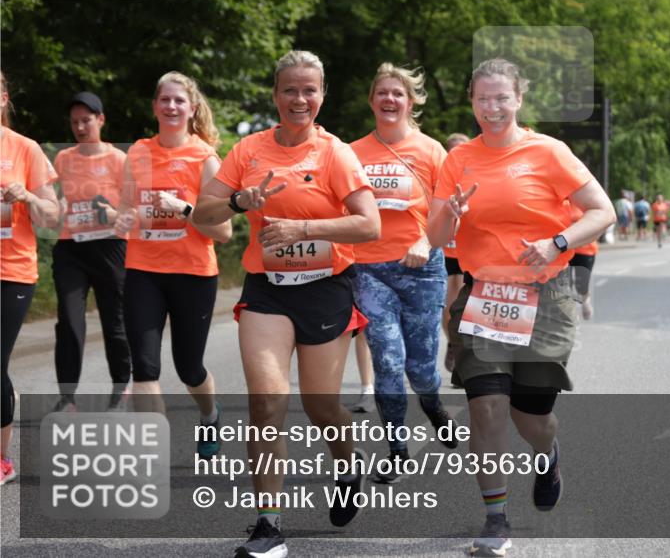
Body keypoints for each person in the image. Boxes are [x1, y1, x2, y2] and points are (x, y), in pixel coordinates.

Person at [193, 50, 380, 558]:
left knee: (322, 407)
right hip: (268, 290)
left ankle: (348, 464)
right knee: (266, 402)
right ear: (275, 96)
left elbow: (369, 224)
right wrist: (239, 201)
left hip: (325, 288)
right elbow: (201, 213)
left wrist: (304, 228)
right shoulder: (248, 150)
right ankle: (269, 525)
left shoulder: (336, 153)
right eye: (290, 90)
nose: (300, 99)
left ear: (322, 96)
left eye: (309, 90)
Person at [426, 59, 614, 557]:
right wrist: (450, 214)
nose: (492, 108)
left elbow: (603, 211)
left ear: (519, 99)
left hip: (545, 296)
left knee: (531, 416)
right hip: (484, 295)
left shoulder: (548, 152)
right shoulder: (458, 159)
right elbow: (435, 237)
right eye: (482, 99)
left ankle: (546, 453)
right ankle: (495, 519)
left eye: (501, 98)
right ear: (472, 102)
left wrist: (557, 242)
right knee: (486, 407)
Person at [349, 62, 457, 480]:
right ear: (371, 100)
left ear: (411, 102)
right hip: (370, 270)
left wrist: (426, 242)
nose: (390, 99)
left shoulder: (432, 151)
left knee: (421, 370)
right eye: (382, 92)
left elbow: (448, 214)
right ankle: (397, 450)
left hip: (422, 269)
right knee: (389, 361)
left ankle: (432, 403)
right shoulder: (352, 153)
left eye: (398, 93)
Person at [114, 72, 231, 453]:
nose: (171, 106)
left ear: (192, 108)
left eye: (179, 100)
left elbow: (223, 231)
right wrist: (123, 219)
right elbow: (127, 208)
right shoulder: (138, 153)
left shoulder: (205, 158)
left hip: (193, 274)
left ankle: (210, 414)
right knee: (145, 368)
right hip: (143, 272)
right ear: (155, 107)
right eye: (165, 99)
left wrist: (183, 209)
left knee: (189, 369)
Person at [51, 92, 131, 412]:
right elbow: (60, 198)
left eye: (86, 120)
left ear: (101, 119)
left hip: (110, 246)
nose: (80, 127)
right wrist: (58, 206)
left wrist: (113, 214)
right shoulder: (63, 158)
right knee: (69, 321)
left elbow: (133, 208)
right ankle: (67, 398)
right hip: (71, 248)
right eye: (75, 122)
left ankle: (122, 388)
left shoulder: (119, 159)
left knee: (115, 322)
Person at [0, 71, 60, 485]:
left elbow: (52, 215)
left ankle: (2, 458)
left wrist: (27, 196)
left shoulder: (24, 148)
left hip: (12, 271)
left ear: (3, 98)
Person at [441, 132, 469, 373]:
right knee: (447, 306)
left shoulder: (476, 177)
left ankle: (461, 347)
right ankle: (452, 341)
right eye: (453, 151)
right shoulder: (441, 177)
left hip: (467, 251)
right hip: (444, 250)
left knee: (462, 302)